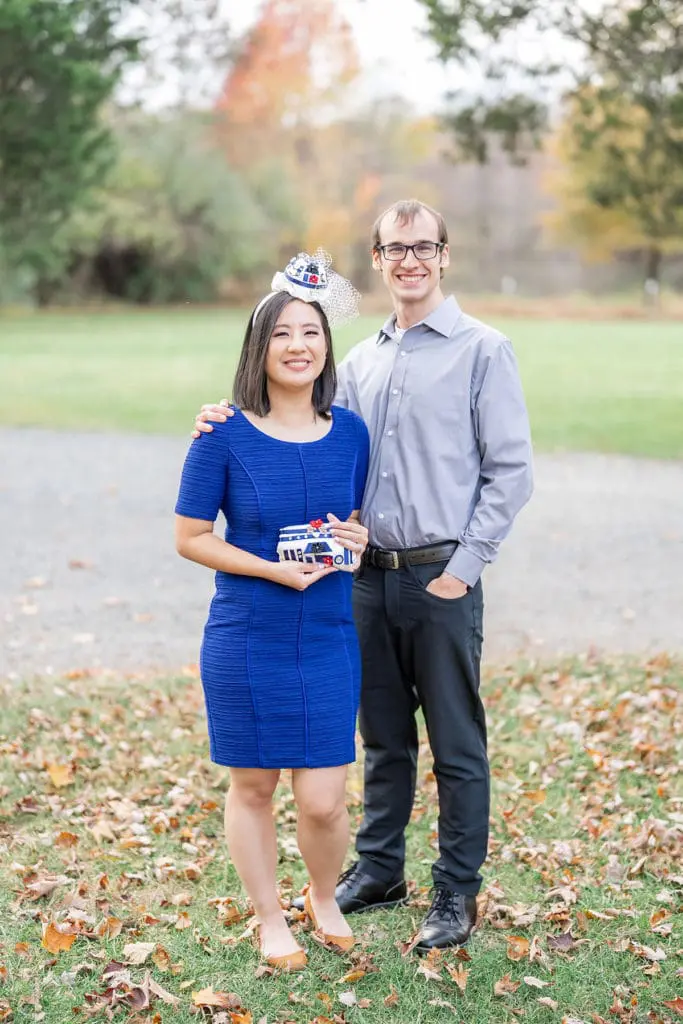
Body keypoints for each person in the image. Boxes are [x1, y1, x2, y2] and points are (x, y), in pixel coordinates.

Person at [193, 200, 534, 952]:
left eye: (422, 246)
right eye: (393, 248)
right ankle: (378, 870)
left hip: (439, 574)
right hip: (359, 583)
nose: (408, 260)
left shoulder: (483, 349)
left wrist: (463, 570)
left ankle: (454, 892)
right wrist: (223, 415)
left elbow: (510, 473)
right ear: (375, 261)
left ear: (443, 255)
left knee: (455, 743)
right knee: (382, 741)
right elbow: (302, 438)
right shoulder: (361, 362)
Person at [175, 251, 370, 971]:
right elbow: (190, 539)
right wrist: (270, 571)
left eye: (311, 333)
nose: (298, 345)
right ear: (260, 348)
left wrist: (356, 537)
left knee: (323, 799)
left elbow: (345, 523)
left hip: (326, 633)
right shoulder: (220, 433)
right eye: (283, 333)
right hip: (247, 631)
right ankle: (267, 917)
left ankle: (322, 895)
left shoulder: (350, 432)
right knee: (252, 785)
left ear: (326, 347)